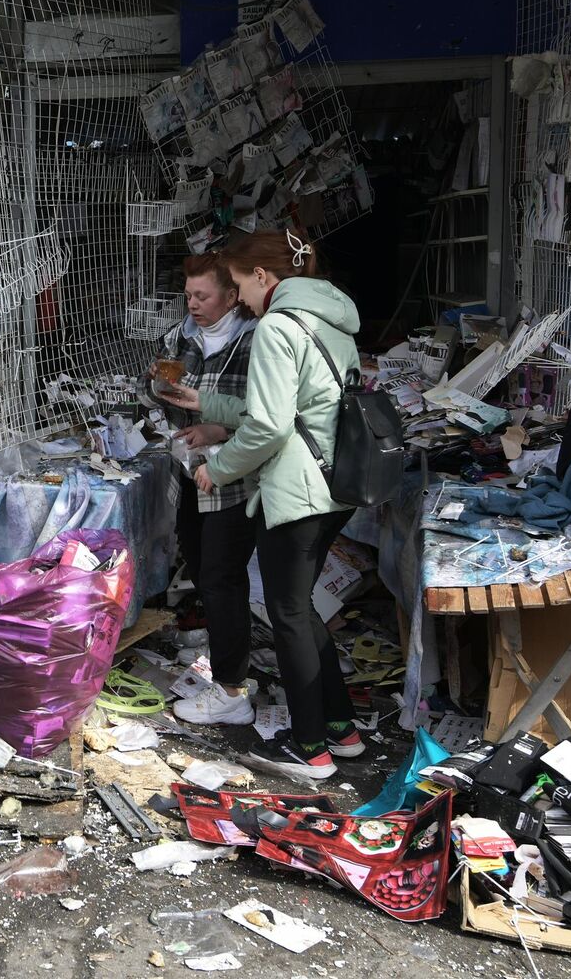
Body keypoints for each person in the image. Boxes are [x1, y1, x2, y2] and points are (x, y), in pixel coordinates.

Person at [161, 228, 366, 780]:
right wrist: (207, 399)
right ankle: (341, 730)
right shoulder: (329, 317)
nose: (240, 299)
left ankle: (309, 748)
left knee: (289, 616)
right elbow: (285, 402)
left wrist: (217, 469)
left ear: (261, 276)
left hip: (296, 487)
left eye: (238, 285)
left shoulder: (277, 325)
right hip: (332, 483)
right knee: (300, 611)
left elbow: (270, 425)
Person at [141, 254, 258, 727]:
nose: (192, 304)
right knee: (203, 569)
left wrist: (219, 432)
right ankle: (226, 671)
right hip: (188, 475)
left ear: (231, 296)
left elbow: (269, 414)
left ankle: (233, 691)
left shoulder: (256, 341)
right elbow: (153, 394)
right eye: (188, 295)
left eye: (202, 296)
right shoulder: (179, 336)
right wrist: (153, 386)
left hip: (232, 478)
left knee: (222, 578)